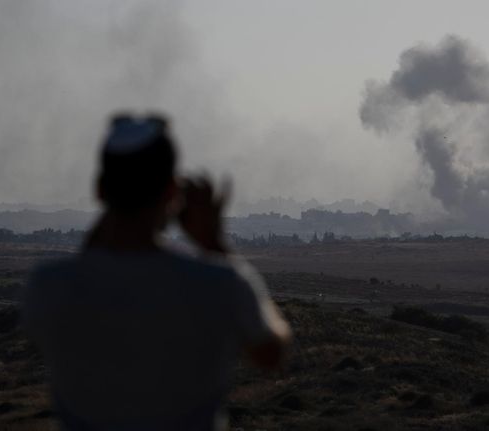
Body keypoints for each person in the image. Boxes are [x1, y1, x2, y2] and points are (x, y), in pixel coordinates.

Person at [22, 114, 291, 431]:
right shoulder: (219, 284)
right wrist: (214, 243)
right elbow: (272, 354)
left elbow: (87, 267)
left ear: (100, 190)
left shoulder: (49, 286)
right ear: (171, 193)